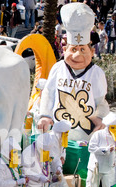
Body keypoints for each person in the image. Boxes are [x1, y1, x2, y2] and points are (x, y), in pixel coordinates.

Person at [38, 3, 110, 142]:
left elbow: (101, 102)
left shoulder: (96, 73)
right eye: (73, 49)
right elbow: (48, 93)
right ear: (65, 50)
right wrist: (45, 115)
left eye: (83, 50)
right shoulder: (58, 68)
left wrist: (99, 118)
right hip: (58, 132)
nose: (77, 55)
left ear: (92, 52)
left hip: (85, 136)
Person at [86, 112, 116, 187]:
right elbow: (91, 148)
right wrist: (105, 150)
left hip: (109, 168)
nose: (113, 130)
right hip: (96, 167)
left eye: (115, 128)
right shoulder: (98, 135)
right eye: (112, 128)